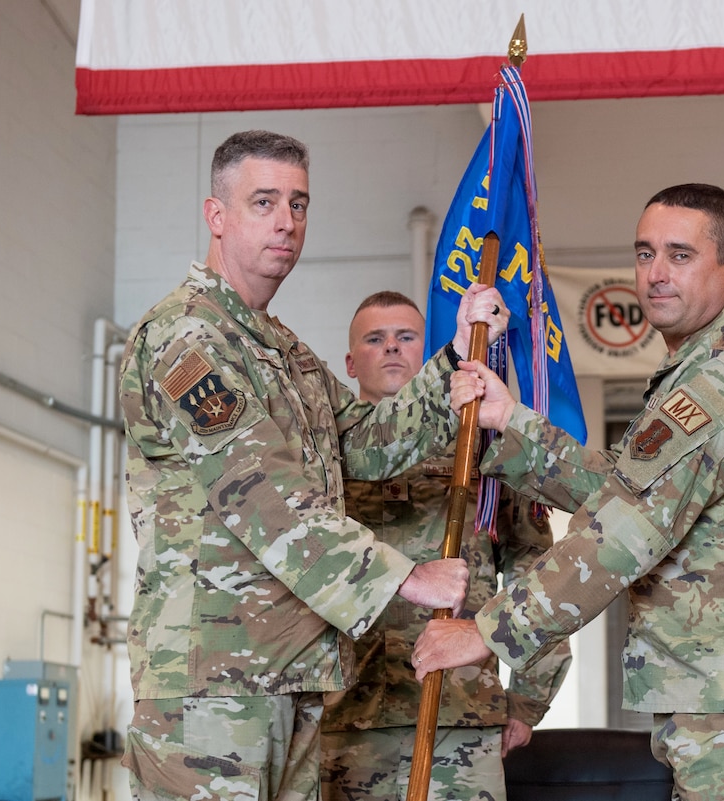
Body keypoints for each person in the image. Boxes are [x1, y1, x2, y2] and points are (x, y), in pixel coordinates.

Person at [413, 184, 724, 801]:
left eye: (679, 255)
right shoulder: (704, 370)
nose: (655, 274)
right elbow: (623, 490)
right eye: (645, 254)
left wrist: (487, 632)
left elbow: (623, 530)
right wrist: (509, 422)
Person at [118, 130, 509, 801]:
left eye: (298, 204)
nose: (286, 221)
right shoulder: (186, 335)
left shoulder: (281, 350)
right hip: (212, 686)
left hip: (291, 671)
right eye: (263, 201)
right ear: (216, 216)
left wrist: (449, 359)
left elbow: (362, 443)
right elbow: (262, 493)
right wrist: (405, 576)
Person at [320, 292, 571, 801]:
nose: (391, 347)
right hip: (345, 716)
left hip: (459, 715)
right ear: (350, 362)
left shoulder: (476, 446)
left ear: (428, 350)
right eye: (375, 339)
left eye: (405, 337)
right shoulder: (325, 460)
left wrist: (527, 701)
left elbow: (536, 569)